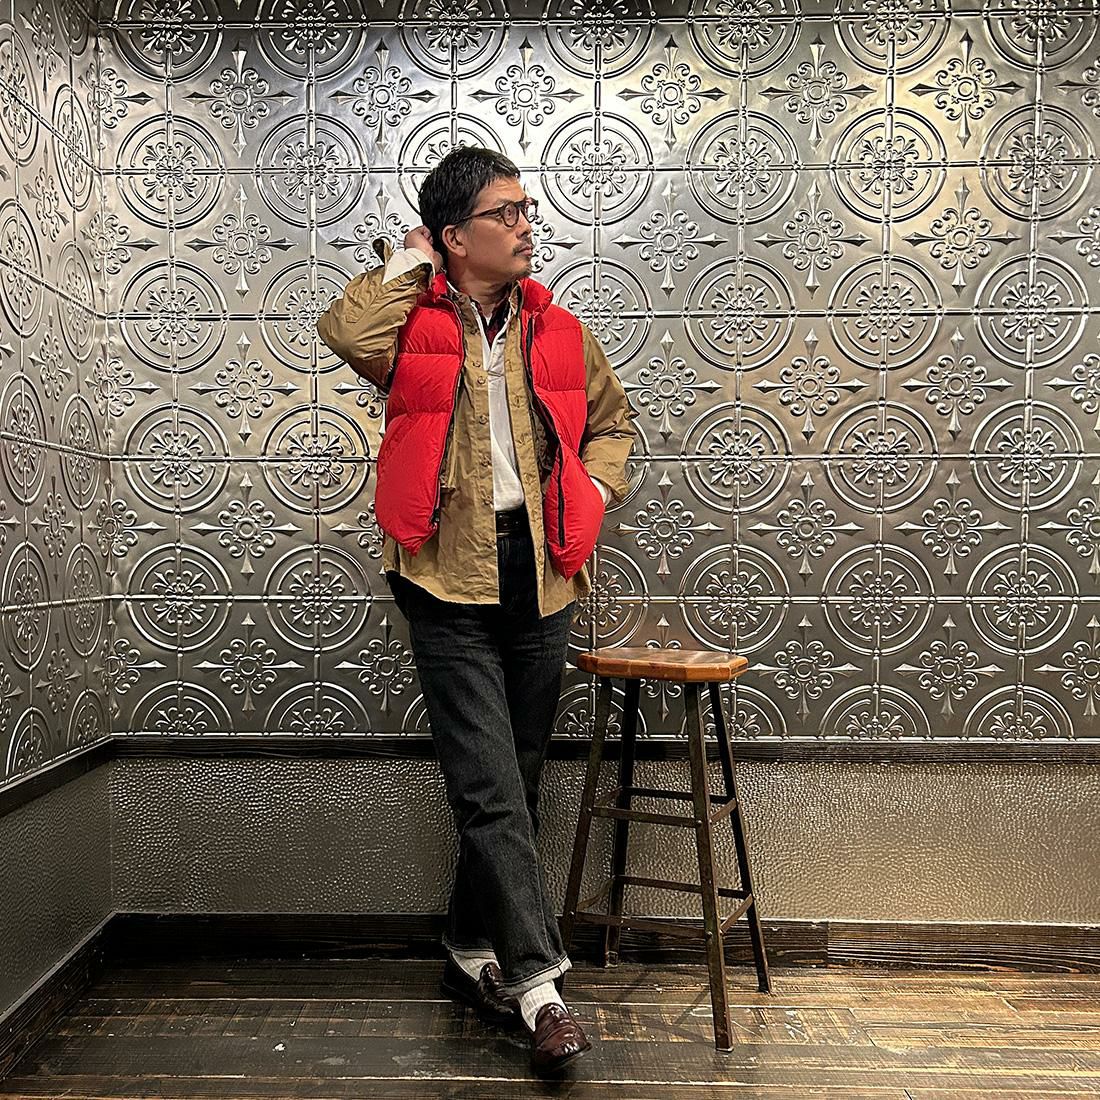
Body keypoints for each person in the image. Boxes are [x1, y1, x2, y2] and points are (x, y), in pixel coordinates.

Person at [316, 146, 637, 1073]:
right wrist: (413, 259)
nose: (527, 226)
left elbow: (614, 426)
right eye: (506, 213)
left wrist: (594, 492)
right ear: (456, 236)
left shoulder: (560, 331)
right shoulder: (411, 324)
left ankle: (468, 949)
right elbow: (344, 329)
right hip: (441, 569)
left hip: (541, 567)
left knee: (516, 777)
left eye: (527, 210)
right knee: (491, 784)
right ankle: (540, 988)